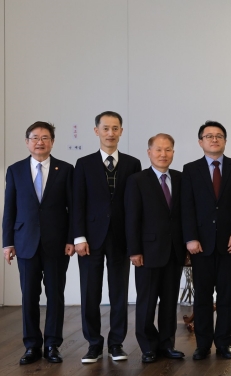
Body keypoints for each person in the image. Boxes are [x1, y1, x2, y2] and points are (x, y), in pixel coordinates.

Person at [73, 111, 141, 363]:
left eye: (115, 128)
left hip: (121, 238)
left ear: (121, 131)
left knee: (119, 293)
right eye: (105, 128)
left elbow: (135, 206)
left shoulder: (133, 164)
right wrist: (78, 237)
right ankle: (93, 343)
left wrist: (135, 239)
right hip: (90, 239)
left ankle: (116, 343)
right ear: (96, 131)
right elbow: (77, 203)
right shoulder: (84, 163)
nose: (110, 133)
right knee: (90, 293)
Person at [3, 122, 74, 365]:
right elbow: (9, 209)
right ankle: (32, 346)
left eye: (45, 137)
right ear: (27, 142)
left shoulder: (65, 169)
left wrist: (71, 239)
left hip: (57, 244)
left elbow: (73, 209)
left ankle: (53, 345)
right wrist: (7, 243)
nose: (40, 142)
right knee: (29, 296)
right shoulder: (15, 170)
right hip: (24, 243)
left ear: (52, 141)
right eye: (35, 137)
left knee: (55, 295)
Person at [181, 121, 231, 360]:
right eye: (209, 136)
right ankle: (203, 344)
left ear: (225, 141)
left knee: (227, 295)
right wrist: (190, 238)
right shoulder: (190, 169)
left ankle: (224, 343)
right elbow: (186, 207)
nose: (214, 139)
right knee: (203, 295)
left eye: (219, 136)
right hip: (201, 245)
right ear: (201, 142)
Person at [125, 134, 185, 363]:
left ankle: (167, 344)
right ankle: (148, 346)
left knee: (170, 302)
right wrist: (134, 250)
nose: (163, 154)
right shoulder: (137, 180)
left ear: (173, 152)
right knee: (147, 301)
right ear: (149, 152)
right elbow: (132, 218)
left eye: (168, 150)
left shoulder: (180, 179)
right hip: (147, 251)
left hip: (174, 251)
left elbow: (184, 216)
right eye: (158, 150)